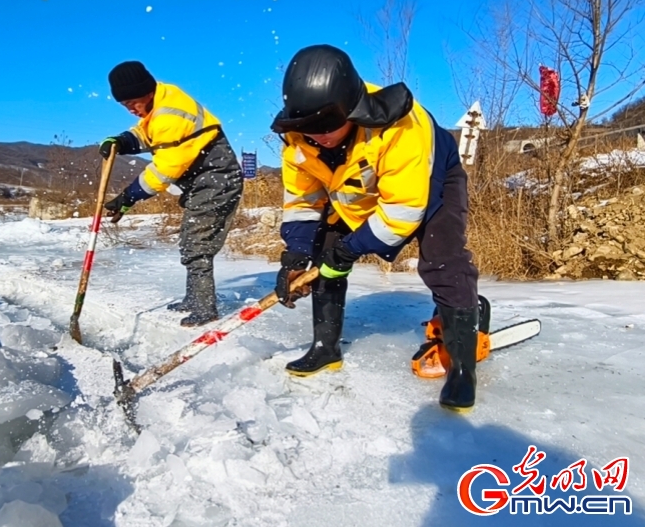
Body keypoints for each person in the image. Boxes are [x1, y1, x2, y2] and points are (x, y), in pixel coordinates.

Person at [271, 44, 480, 412]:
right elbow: (303, 201)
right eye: (309, 128)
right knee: (323, 252)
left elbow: (402, 210)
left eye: (327, 126)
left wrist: (351, 249)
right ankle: (325, 347)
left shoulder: (402, 127)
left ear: (351, 109)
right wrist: (296, 253)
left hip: (430, 182)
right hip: (354, 192)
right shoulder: (298, 139)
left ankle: (463, 369)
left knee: (443, 262)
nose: (318, 135)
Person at [99, 61, 243, 327]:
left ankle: (204, 306)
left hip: (216, 180)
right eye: (124, 105)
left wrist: (128, 197)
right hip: (203, 181)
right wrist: (121, 141)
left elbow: (164, 170)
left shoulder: (169, 115)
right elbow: (146, 133)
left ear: (147, 91)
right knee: (191, 239)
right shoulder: (162, 98)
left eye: (132, 102)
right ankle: (194, 297)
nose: (130, 108)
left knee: (196, 244)